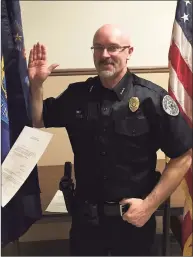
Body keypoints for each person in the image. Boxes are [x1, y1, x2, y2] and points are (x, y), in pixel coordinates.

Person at [28, 24, 192, 256]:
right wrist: (36, 85)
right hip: (86, 222)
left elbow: (183, 156)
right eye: (99, 48)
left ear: (129, 52)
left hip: (133, 221)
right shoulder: (77, 95)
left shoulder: (151, 100)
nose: (105, 55)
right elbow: (39, 119)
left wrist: (149, 206)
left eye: (113, 48)